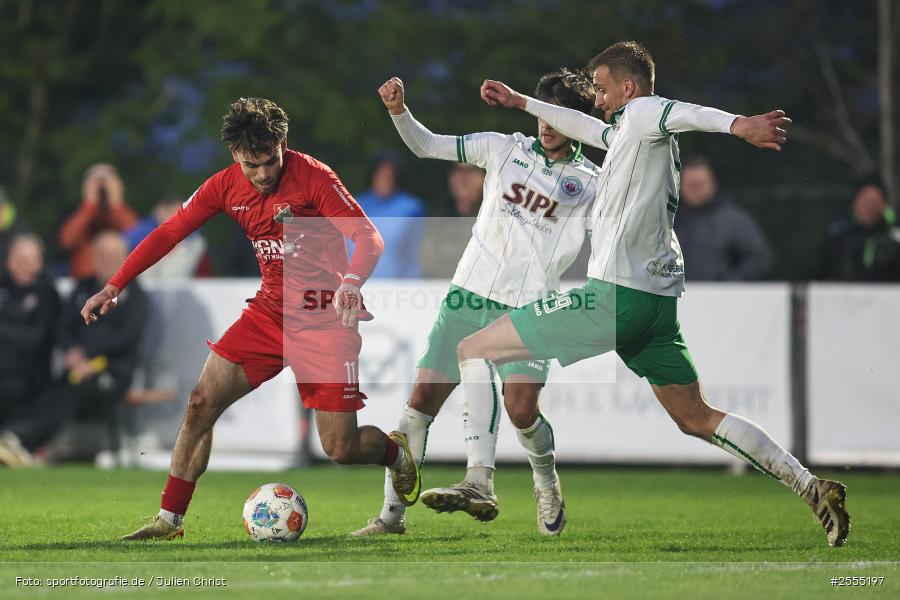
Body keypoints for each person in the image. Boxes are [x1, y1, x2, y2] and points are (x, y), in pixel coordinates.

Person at [472, 41, 849, 547]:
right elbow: (590, 129)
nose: (597, 100)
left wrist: (739, 125)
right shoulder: (630, 131)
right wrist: (523, 102)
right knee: (696, 417)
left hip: (615, 298)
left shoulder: (646, 112)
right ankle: (809, 484)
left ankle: (483, 479)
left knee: (473, 347)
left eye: (603, 89)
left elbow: (683, 112)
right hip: (654, 305)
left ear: (628, 87)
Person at [79, 98, 420, 540]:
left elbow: (367, 237)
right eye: (250, 165)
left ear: (283, 143)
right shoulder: (224, 186)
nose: (261, 175)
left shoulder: (314, 177)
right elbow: (169, 232)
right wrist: (114, 284)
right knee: (201, 402)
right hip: (269, 314)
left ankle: (395, 453)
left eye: (269, 162)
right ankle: (169, 520)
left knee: (340, 448)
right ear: (234, 157)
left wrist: (352, 281)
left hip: (324, 317)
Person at [353, 69, 606, 537]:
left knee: (522, 411)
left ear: (579, 121)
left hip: (529, 308)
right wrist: (398, 113)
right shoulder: (503, 147)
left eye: (559, 115)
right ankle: (391, 517)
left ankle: (544, 479)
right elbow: (427, 145)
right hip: (469, 294)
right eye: (541, 111)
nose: (546, 124)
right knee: (419, 402)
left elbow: (608, 246)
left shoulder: (593, 182)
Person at [0, 232, 146, 466]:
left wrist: (88, 355)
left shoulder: (135, 295)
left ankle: (20, 440)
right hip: (78, 368)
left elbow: (125, 338)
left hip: (111, 371)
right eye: (102, 255)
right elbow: (62, 327)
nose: (107, 261)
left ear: (125, 258)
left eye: (113, 256)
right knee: (56, 389)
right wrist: (71, 351)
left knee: (71, 392)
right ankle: (17, 441)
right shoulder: (84, 288)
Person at [0, 234, 60, 466]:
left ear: (39, 263)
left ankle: (13, 444)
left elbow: (36, 339)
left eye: (29, 260)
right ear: (8, 261)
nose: (23, 266)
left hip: (31, 378)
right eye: (19, 260)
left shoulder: (47, 293)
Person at [675, 156, 770, 280]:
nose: (695, 190)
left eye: (699, 184)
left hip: (722, 297)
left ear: (712, 183)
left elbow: (758, 259)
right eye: (690, 185)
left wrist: (728, 283)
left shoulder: (734, 220)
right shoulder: (669, 220)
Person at [353, 153, 427, 278]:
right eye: (381, 173)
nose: (385, 178)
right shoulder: (356, 204)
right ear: (373, 175)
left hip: (397, 285)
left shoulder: (411, 208)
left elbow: (416, 252)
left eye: (390, 175)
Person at [59, 164, 138, 279]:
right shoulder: (82, 214)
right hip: (86, 281)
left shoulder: (123, 214)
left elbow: (135, 239)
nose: (102, 187)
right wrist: (89, 204)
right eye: (95, 182)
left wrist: (115, 203)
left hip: (120, 281)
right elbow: (67, 241)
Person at [819, 176, 900, 281]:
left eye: (874, 201)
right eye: (865, 200)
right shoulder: (837, 235)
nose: (869, 207)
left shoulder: (895, 236)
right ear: (856, 202)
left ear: (883, 204)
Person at [419, 164, 485, 278]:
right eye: (458, 172)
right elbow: (427, 264)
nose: (464, 180)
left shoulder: (499, 219)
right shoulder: (438, 218)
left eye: (471, 172)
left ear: (485, 178)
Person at [124, 198, 213, 282]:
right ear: (157, 213)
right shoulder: (135, 240)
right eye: (168, 212)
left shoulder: (196, 245)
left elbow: (204, 279)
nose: (172, 217)